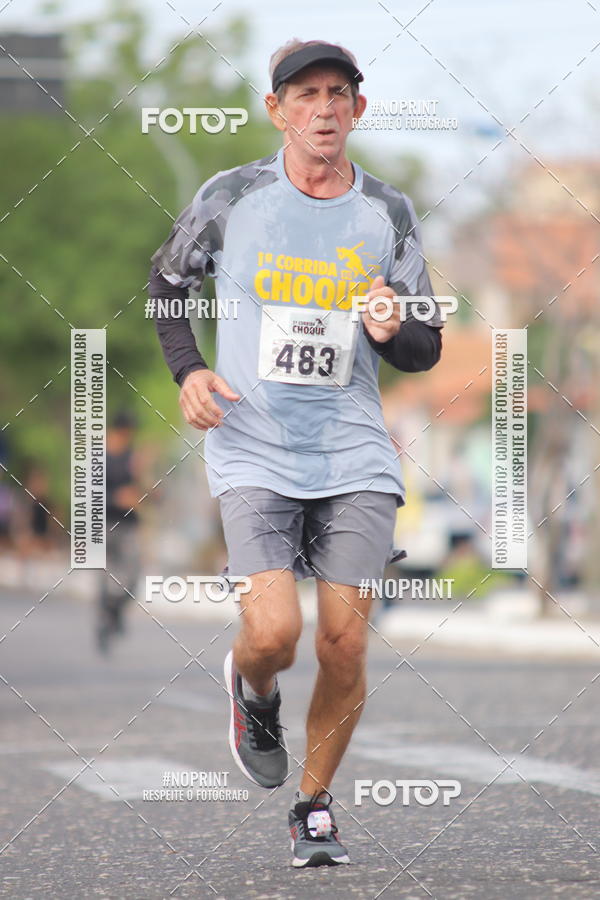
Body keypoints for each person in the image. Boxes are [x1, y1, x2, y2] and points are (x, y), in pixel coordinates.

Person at [150, 38, 444, 867]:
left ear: (359, 109)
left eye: (338, 93)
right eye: (305, 94)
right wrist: (191, 371)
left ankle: (313, 808)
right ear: (276, 110)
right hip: (251, 445)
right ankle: (254, 689)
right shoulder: (231, 196)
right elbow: (169, 286)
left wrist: (393, 331)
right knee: (274, 631)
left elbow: (425, 345)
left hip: (353, 453)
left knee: (345, 643)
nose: (323, 107)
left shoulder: (387, 212)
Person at [97, 411, 142, 653]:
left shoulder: (132, 456)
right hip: (103, 524)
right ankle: (105, 622)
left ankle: (116, 611)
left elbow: (143, 491)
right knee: (105, 581)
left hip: (129, 525)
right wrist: (116, 498)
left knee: (133, 577)